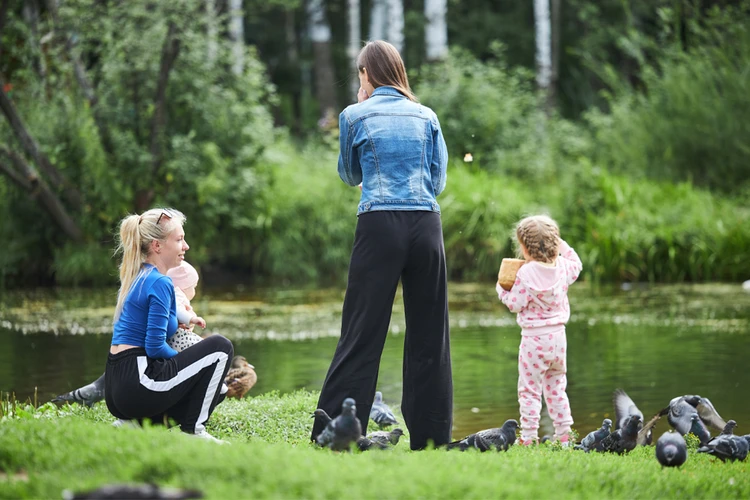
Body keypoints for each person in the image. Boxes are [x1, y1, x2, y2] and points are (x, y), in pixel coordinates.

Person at [311, 40, 453, 450]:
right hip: (426, 225)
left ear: (365, 74)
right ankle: (431, 437)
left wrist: (359, 106)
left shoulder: (354, 115)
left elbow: (350, 175)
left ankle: (332, 429)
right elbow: (438, 182)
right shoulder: (427, 116)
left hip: (379, 225)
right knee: (430, 334)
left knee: (362, 329)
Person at [105, 208, 234, 443]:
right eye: (179, 239)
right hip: (138, 383)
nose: (186, 246)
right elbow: (154, 348)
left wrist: (185, 322)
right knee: (221, 347)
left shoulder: (138, 275)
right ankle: (194, 431)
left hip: (117, 387)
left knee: (217, 390)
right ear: (157, 246)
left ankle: (135, 426)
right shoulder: (161, 282)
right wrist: (191, 364)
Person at [496, 215, 582, 446]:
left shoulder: (525, 274)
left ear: (524, 247)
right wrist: (562, 245)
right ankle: (565, 435)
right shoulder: (564, 267)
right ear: (555, 242)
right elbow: (577, 263)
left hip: (534, 341)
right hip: (558, 338)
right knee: (556, 388)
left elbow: (515, 303)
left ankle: (529, 436)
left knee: (530, 390)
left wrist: (501, 289)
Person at [166, 260, 207, 352]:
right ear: (184, 286)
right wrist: (191, 319)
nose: (194, 291)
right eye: (194, 287)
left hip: (178, 337)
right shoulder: (177, 293)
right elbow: (177, 309)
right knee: (207, 348)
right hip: (177, 337)